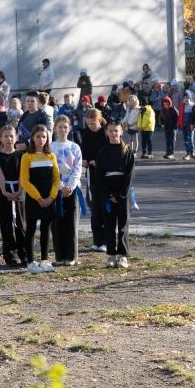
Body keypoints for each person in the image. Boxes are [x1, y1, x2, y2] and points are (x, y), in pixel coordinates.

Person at [20, 124, 60, 274]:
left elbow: (56, 179)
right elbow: (25, 181)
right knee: (30, 230)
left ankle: (44, 260)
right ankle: (30, 261)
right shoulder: (27, 156)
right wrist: (38, 198)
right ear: (32, 138)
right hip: (33, 199)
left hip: (49, 199)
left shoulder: (51, 156)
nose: (41, 139)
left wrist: (51, 197)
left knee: (45, 230)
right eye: (38, 136)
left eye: (44, 137)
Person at [95, 120, 135, 269]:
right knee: (110, 224)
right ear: (106, 132)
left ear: (121, 132)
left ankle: (122, 255)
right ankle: (111, 254)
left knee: (123, 224)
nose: (113, 134)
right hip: (108, 193)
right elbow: (99, 176)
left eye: (116, 131)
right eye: (110, 131)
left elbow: (130, 175)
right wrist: (108, 194)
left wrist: (120, 195)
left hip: (122, 193)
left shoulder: (127, 150)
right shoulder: (103, 151)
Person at [0, 125, 26, 266]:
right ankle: (9, 254)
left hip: (19, 191)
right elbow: (0, 175)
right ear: (0, 139)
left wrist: (19, 191)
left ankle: (24, 253)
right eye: (6, 136)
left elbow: (22, 175)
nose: (9, 139)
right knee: (6, 224)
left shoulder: (21, 155)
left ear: (16, 137)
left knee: (21, 224)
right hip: (3, 192)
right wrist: (5, 191)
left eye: (11, 136)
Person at [51, 115, 83, 266]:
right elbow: (51, 170)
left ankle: (71, 256)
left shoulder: (75, 147)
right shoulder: (51, 147)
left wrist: (70, 186)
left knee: (71, 222)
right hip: (57, 188)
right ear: (55, 128)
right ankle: (59, 256)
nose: (62, 130)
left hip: (72, 189)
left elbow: (77, 169)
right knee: (57, 223)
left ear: (69, 128)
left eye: (65, 127)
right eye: (60, 127)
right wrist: (60, 186)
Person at [81, 108, 108, 252]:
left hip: (104, 175)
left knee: (105, 207)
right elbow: (83, 151)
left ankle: (106, 240)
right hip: (91, 174)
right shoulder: (86, 135)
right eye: (89, 124)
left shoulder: (105, 133)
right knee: (94, 206)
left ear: (99, 121)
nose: (91, 127)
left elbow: (109, 152)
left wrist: (99, 162)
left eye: (93, 124)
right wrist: (84, 160)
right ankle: (97, 240)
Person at [177, 92, 195, 160]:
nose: (186, 99)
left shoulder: (193, 106)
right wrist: (179, 126)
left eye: (187, 98)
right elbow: (180, 117)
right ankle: (188, 153)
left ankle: (192, 153)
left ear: (190, 98)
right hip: (183, 126)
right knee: (186, 140)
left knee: (190, 139)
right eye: (184, 98)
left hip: (190, 126)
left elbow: (194, 117)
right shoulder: (182, 106)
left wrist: (193, 124)